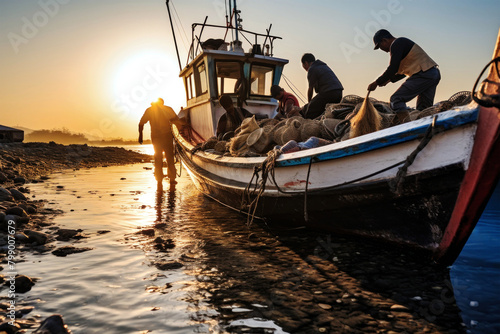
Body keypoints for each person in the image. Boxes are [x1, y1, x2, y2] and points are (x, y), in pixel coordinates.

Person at [367, 29, 441, 124]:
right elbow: (402, 72)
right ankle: (426, 128)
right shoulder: (401, 44)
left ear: (384, 40)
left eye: (380, 46)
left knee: (396, 99)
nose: (382, 50)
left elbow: (392, 68)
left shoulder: (397, 43)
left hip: (423, 74)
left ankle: (406, 126)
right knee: (424, 109)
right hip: (432, 73)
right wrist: (388, 80)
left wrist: (377, 82)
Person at [138, 98, 181, 184]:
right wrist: (179, 135)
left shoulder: (150, 110)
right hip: (165, 136)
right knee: (169, 157)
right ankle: (170, 179)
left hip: (159, 136)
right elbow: (176, 121)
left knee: (159, 157)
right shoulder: (167, 109)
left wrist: (140, 135)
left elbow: (141, 123)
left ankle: (159, 179)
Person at [301, 53, 344, 119]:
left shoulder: (312, 69)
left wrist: (310, 103)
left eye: (303, 66)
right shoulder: (323, 66)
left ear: (305, 63)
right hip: (338, 92)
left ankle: (311, 126)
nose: (304, 69)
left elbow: (310, 89)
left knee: (309, 111)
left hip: (328, 93)